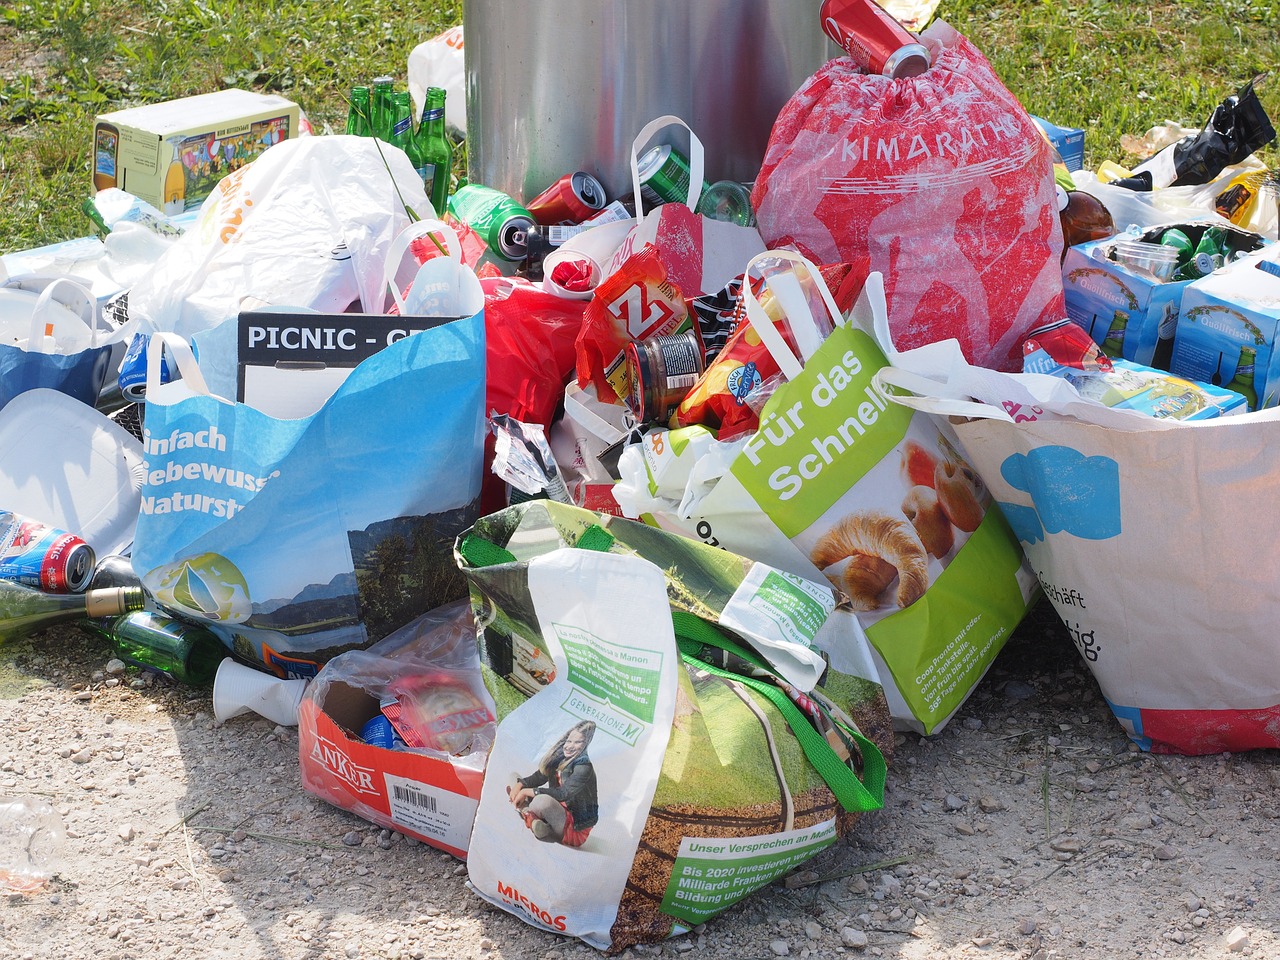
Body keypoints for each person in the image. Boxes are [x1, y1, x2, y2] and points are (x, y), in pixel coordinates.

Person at [507, 720, 598, 847]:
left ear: (585, 745)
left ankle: (526, 812)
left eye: (578, 742)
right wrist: (521, 785)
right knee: (514, 778)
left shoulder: (584, 768)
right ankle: (535, 821)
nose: (570, 746)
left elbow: (563, 794)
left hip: (572, 826)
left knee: (542, 801)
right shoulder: (561, 759)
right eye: (569, 741)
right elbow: (539, 777)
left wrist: (526, 792)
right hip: (554, 810)